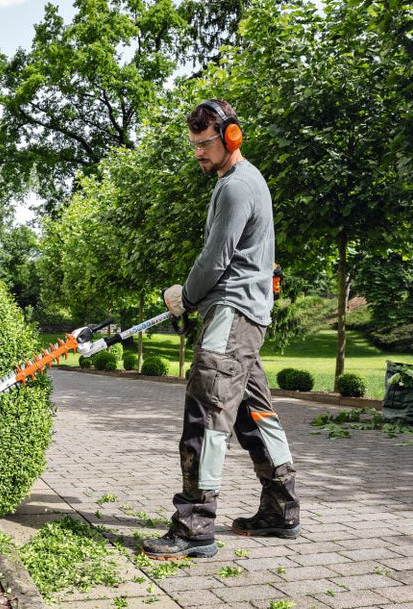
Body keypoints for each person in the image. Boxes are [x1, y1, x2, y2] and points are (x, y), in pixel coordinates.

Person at [141, 100, 300, 560]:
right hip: (248, 317)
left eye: (205, 143)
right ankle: (281, 509)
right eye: (192, 145)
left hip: (230, 314)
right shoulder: (246, 181)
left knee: (206, 415)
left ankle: (194, 526)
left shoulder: (235, 187)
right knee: (255, 415)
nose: (197, 153)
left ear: (231, 136)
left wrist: (184, 297)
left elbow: (215, 259)